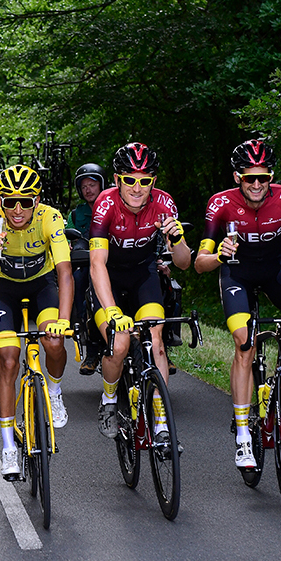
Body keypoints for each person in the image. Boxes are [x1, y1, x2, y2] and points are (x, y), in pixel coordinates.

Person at [194, 139, 281, 469]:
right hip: (236, 275)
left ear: (271, 176)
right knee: (245, 344)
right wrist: (219, 255)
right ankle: (243, 435)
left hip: (275, 271)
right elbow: (199, 263)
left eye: (263, 177)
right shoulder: (220, 204)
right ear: (237, 177)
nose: (257, 184)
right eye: (249, 178)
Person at [0, 164, 73, 479]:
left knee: (54, 341)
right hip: (4, 289)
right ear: (0, 201)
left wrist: (63, 320)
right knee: (8, 359)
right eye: (10, 202)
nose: (18, 209)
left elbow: (64, 272)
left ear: (37, 201)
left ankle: (55, 391)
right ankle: (8, 446)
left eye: (25, 201)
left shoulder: (50, 218)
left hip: (42, 286)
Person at [90, 143, 191, 448]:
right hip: (109, 275)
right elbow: (97, 264)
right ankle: (109, 400)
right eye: (129, 180)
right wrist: (112, 311)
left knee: (156, 341)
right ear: (117, 180)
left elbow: (184, 263)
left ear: (153, 182)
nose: (137, 188)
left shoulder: (164, 204)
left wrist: (177, 239)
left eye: (144, 181)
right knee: (119, 344)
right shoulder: (105, 204)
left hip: (143, 275)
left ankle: (160, 423)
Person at [66, 163, 108, 376]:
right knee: (77, 280)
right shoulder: (76, 214)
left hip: (113, 263)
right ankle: (90, 349)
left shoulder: (114, 205)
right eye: (84, 187)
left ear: (102, 184)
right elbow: (67, 236)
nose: (88, 190)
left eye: (92, 185)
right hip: (86, 265)